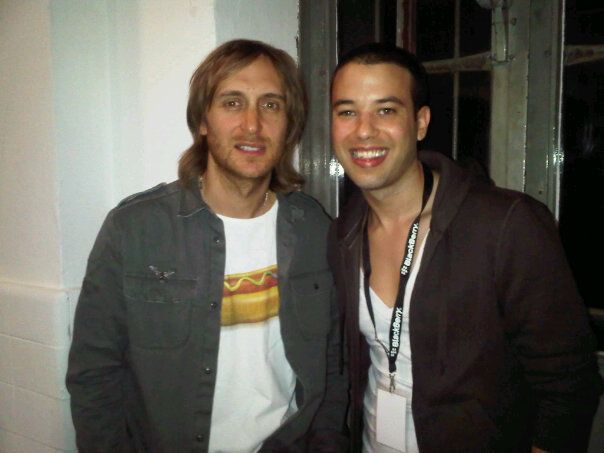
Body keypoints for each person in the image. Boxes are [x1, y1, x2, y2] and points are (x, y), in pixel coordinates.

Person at [66, 39, 347, 452]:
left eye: (271, 105)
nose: (252, 125)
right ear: (202, 121)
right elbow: (94, 375)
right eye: (232, 103)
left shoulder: (314, 230)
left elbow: (332, 365)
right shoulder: (135, 230)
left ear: (289, 125)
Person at [327, 42, 602, 453]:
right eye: (347, 112)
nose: (364, 130)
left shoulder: (506, 225)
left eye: (385, 110)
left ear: (420, 123)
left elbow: (568, 383)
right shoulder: (343, 233)